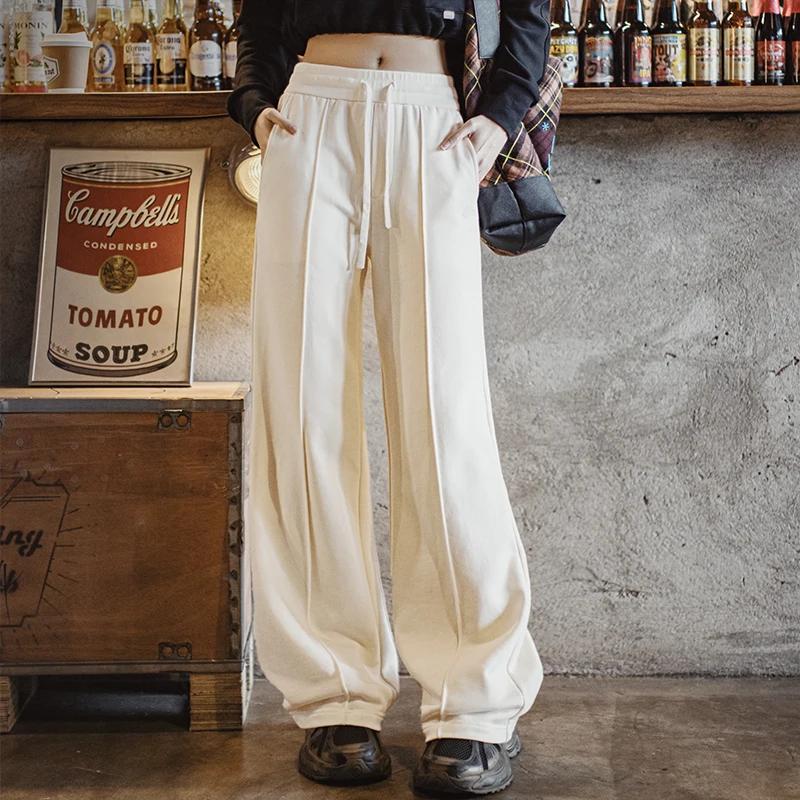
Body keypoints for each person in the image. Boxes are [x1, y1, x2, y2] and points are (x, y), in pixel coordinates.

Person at [227, 1, 550, 795]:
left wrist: (499, 116)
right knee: (302, 413)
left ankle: (473, 700)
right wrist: (258, 109)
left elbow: (529, 11)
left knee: (447, 418)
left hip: (431, 122)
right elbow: (258, 20)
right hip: (309, 119)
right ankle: (334, 692)